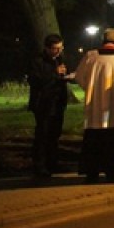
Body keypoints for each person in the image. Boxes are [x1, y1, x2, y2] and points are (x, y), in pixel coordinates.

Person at [75, 28, 114, 183]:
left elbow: (79, 76)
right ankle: (111, 172)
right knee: (112, 139)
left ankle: (92, 173)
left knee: (94, 140)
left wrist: (90, 87)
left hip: (94, 105)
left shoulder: (91, 56)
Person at [27, 34, 70, 178]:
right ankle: (40, 165)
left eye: (60, 48)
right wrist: (54, 73)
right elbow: (35, 80)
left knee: (54, 134)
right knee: (43, 134)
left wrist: (67, 77)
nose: (58, 51)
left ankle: (53, 162)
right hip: (43, 103)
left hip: (58, 102)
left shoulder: (59, 59)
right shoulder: (37, 60)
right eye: (55, 48)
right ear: (47, 48)